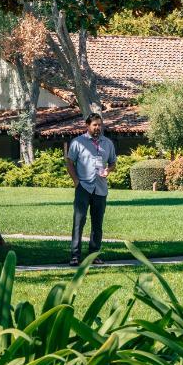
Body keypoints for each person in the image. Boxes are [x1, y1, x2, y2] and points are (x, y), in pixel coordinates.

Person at [66, 114, 115, 266]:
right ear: (87, 125)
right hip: (84, 188)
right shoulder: (78, 142)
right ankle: (75, 255)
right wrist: (76, 181)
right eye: (95, 125)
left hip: (100, 189)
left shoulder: (107, 143)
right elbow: (69, 162)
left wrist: (108, 170)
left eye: (100, 125)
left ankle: (94, 255)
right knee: (79, 222)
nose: (97, 128)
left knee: (97, 224)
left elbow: (113, 162)